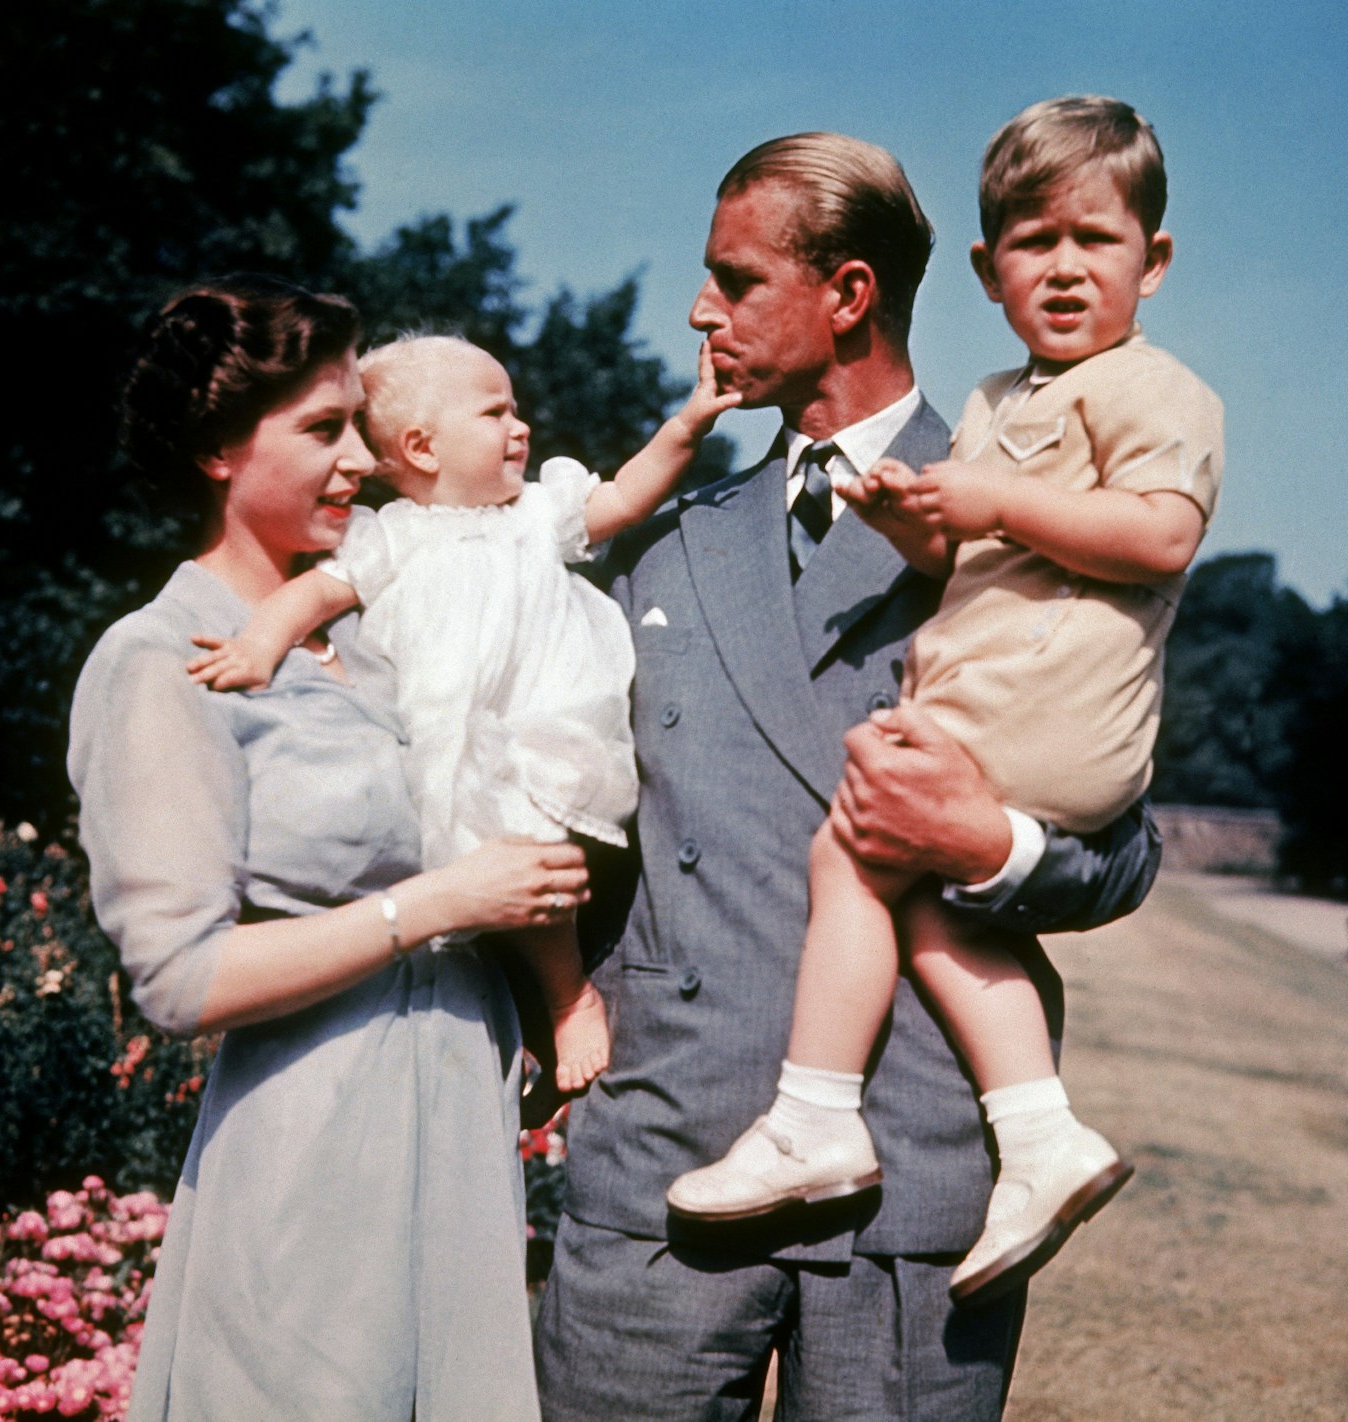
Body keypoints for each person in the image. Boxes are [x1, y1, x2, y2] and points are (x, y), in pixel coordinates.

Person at [533, 133, 1162, 1421]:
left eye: (735, 279)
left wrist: (992, 844)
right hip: (668, 1165)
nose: (701, 311)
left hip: (913, 1179)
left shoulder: (1033, 509)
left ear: (850, 293)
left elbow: (1123, 843)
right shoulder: (666, 547)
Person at [668, 98, 1223, 1309]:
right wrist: (921, 528)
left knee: (860, 850)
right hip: (668, 1130)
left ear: (1155, 261)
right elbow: (972, 558)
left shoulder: (1145, 393)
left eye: (1096, 242)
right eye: (1033, 245)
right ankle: (1039, 1136)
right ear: (987, 269)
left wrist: (997, 845)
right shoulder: (987, 413)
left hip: (1044, 732)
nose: (1064, 270)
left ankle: (820, 1114)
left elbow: (1163, 533)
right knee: (904, 892)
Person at [68, 275, 593, 1421]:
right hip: (310, 1164)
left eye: (361, 422)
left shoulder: (379, 638)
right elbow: (180, 978)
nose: (361, 459)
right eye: (322, 429)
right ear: (217, 448)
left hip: (457, 1138)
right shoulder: (159, 662)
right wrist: (440, 903)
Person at [184, 333, 737, 1096]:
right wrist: (257, 643)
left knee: (531, 858)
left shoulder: (536, 513)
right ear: (421, 446)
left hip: (541, 731)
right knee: (466, 884)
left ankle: (569, 994)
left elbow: (622, 497)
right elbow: (314, 594)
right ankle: (523, 1028)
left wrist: (689, 423)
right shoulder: (392, 538)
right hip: (440, 741)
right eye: (495, 412)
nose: (522, 428)